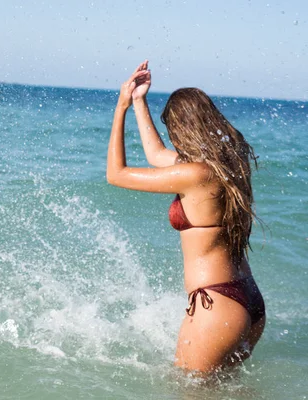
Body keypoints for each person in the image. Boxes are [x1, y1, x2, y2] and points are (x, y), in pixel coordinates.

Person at [106, 61, 265, 374]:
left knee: (190, 394)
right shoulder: (230, 165)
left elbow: (116, 174)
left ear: (183, 129)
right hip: (248, 299)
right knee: (226, 393)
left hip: (215, 304)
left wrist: (120, 107)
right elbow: (156, 156)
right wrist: (139, 101)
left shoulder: (194, 174)